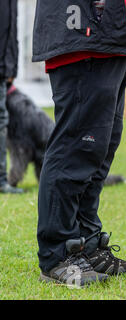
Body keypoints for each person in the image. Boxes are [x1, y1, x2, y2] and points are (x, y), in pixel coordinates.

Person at [33, 0, 126, 286]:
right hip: (85, 28)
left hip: (114, 33)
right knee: (78, 147)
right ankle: (57, 254)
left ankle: (85, 245)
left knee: (99, 148)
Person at [0, 0, 23, 194]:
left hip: (4, 67)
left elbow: (11, 32)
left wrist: (11, 68)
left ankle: (1, 179)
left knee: (1, 121)